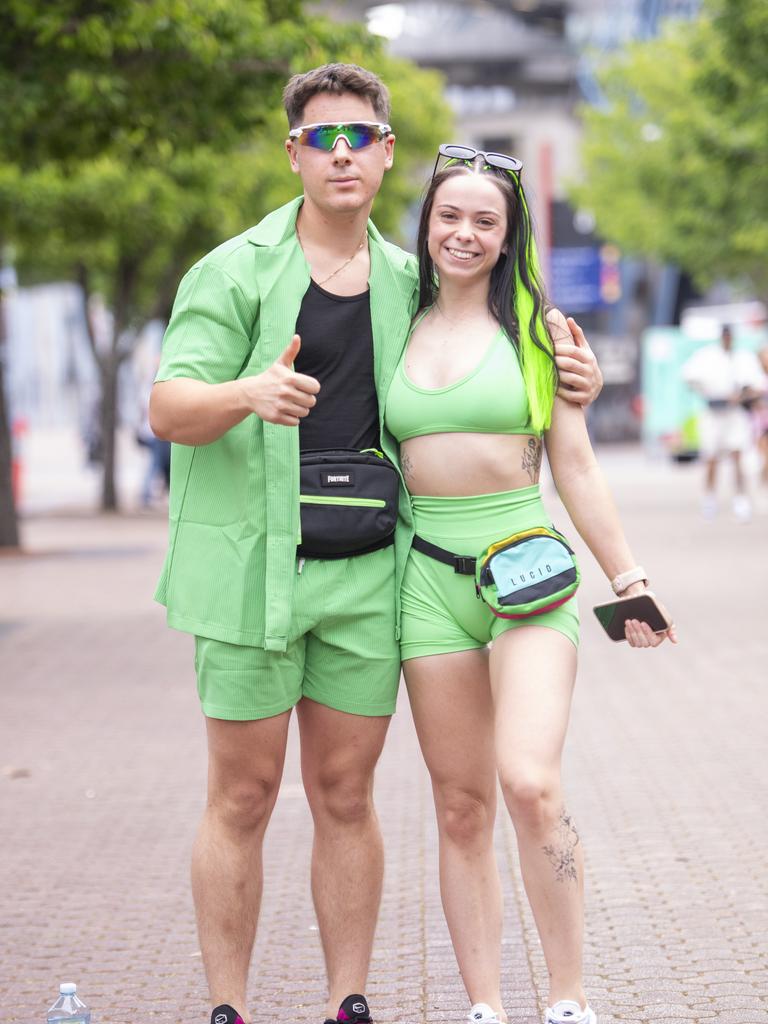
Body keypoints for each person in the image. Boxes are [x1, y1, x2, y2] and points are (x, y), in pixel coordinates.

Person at [149, 65, 603, 1024]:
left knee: (347, 793)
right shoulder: (231, 272)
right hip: (248, 577)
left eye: (360, 137)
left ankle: (346, 1001)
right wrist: (245, 395)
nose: (342, 154)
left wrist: (573, 382)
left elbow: (484, 371)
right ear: (295, 153)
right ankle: (227, 1005)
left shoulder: (411, 280)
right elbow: (166, 406)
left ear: (387, 150)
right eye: (324, 138)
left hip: (368, 578)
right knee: (243, 796)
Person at [383, 149, 678, 1024]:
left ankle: (568, 999)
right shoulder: (392, 321)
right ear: (427, 224)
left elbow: (576, 466)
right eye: (449, 216)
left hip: (528, 573)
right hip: (426, 581)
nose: (464, 233)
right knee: (461, 806)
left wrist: (628, 575)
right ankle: (484, 1006)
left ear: (509, 238)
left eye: (485, 221)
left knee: (529, 783)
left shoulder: (541, 332)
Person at [681, 324, 766, 521]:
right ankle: (709, 497)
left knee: (737, 455)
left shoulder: (741, 358)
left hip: (734, 412)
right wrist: (705, 389)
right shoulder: (707, 356)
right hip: (713, 411)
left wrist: (741, 394)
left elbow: (754, 384)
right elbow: (689, 376)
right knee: (711, 457)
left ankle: (740, 497)